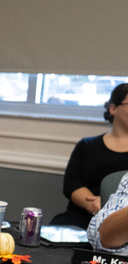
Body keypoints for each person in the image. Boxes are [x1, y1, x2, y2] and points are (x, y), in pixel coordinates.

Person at [53, 83, 128, 228]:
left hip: (122, 223)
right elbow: (71, 184)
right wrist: (95, 205)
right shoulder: (87, 145)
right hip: (82, 215)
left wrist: (107, 206)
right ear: (113, 109)